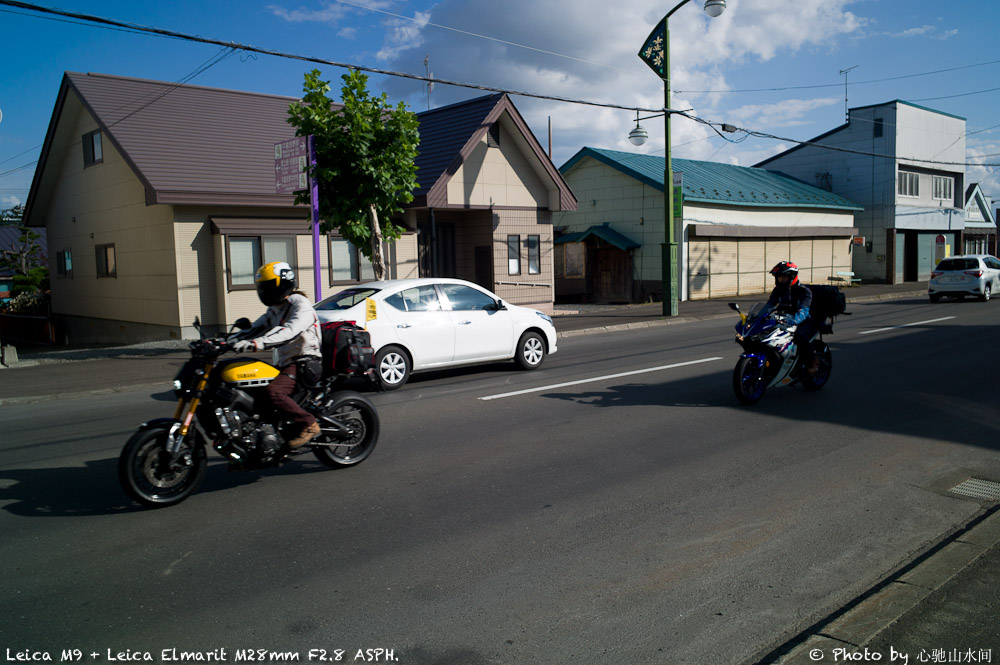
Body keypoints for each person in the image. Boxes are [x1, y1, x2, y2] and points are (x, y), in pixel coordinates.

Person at [232, 261, 323, 448]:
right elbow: (256, 328)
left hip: (305, 362)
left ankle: (309, 424)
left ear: (283, 284)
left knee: (274, 393)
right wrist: (226, 341)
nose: (265, 292)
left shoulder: (301, 305)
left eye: (269, 287)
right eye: (262, 288)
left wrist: (257, 343)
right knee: (255, 392)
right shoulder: (275, 309)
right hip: (285, 363)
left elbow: (289, 331)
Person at [761, 261, 819, 374]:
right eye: (779, 277)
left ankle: (811, 361)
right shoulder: (777, 290)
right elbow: (769, 305)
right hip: (783, 320)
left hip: (803, 321)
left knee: (799, 336)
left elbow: (804, 310)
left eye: (784, 277)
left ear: (792, 277)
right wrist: (757, 317)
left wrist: (795, 320)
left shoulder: (804, 291)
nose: (781, 280)